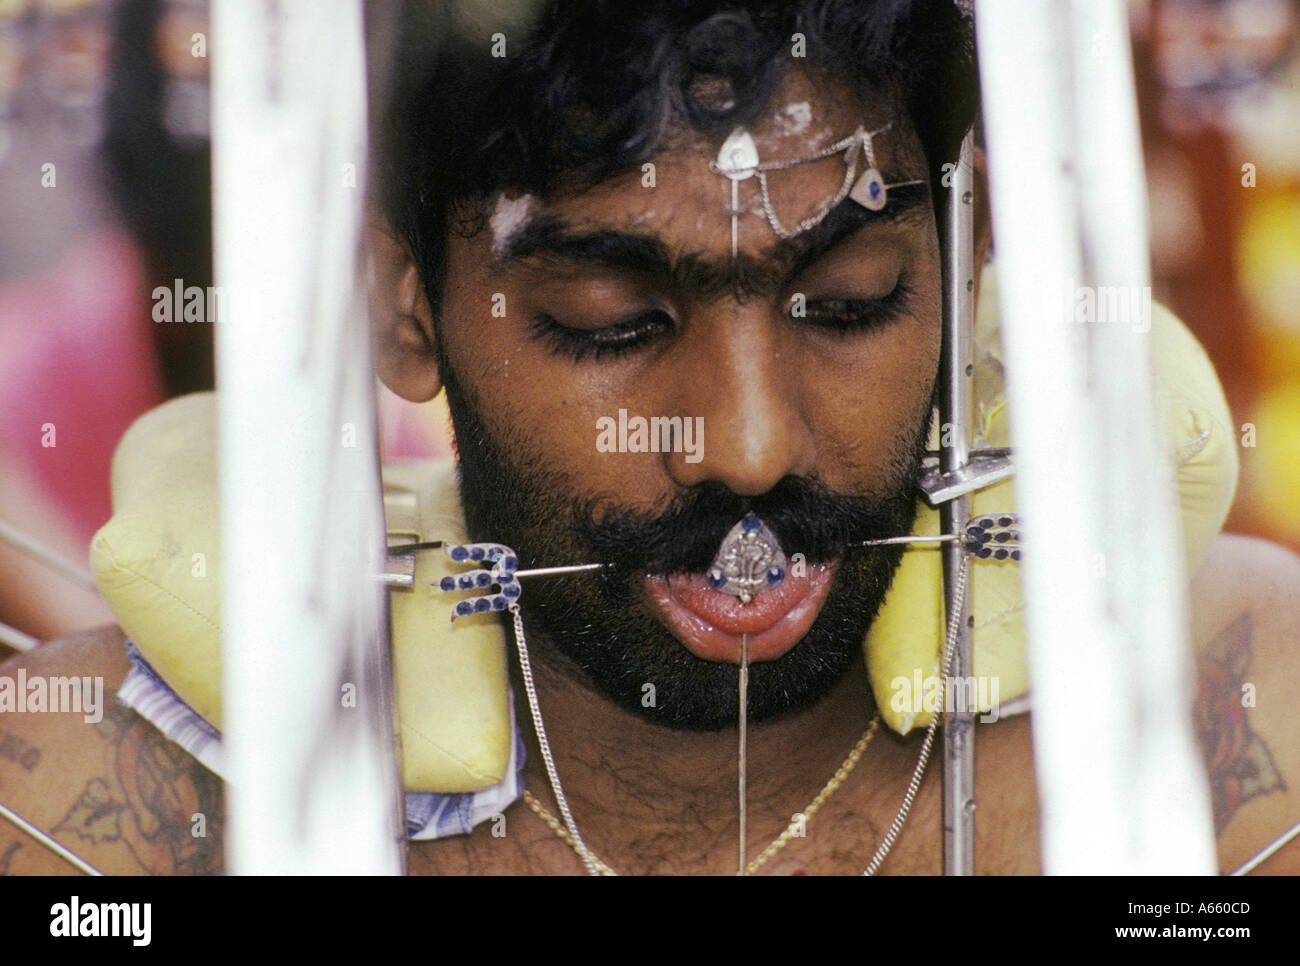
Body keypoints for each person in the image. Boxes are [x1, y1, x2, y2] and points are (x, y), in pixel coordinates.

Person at [2, 0, 1298, 876]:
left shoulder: (1238, 735)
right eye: (612, 319)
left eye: (848, 304)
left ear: (967, 278)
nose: (744, 444)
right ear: (402, 307)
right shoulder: (100, 810)